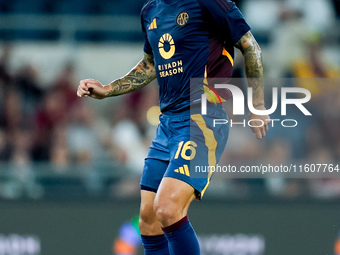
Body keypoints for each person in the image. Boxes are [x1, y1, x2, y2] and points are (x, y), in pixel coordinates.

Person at [77, 0, 270, 254]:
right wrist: (108, 89)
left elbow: (250, 45)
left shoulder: (207, 3)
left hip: (202, 119)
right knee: (148, 220)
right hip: (167, 124)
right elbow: (150, 64)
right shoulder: (150, 11)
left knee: (167, 208)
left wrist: (257, 103)